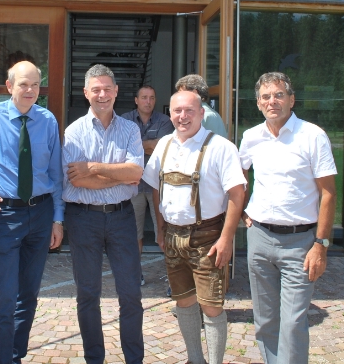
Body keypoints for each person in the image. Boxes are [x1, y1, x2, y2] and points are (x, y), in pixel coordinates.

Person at [0, 61, 64, 364]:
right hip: (4, 216)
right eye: (23, 84)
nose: (30, 90)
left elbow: (56, 173)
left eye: (35, 84)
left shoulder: (47, 120)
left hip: (41, 214)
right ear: (9, 87)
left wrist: (58, 218)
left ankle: (15, 356)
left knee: (28, 296)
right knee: (5, 296)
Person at [239, 72, 337, 364]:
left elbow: (329, 193)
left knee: (293, 323)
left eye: (279, 95)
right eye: (266, 96)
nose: (273, 101)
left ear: (291, 100)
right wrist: (243, 209)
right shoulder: (251, 137)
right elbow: (239, 176)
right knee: (265, 320)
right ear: (259, 103)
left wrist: (321, 244)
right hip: (259, 238)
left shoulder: (312, 136)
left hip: (301, 243)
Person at [142, 90, 246, 364]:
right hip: (173, 235)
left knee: (211, 305)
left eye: (189, 110)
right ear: (170, 114)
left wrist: (226, 239)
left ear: (201, 113)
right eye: (177, 111)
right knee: (183, 301)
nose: (183, 116)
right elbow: (156, 187)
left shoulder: (221, 147)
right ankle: (195, 359)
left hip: (207, 237)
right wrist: (161, 229)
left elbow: (237, 195)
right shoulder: (164, 145)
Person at [62, 64, 144, 364]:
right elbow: (75, 180)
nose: (102, 95)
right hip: (84, 219)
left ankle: (134, 359)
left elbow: (135, 173)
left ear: (116, 91)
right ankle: (94, 358)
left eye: (107, 89)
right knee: (87, 294)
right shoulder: (73, 132)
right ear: (86, 93)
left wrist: (94, 167)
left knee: (131, 293)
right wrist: (119, 175)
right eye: (96, 89)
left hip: (122, 218)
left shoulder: (130, 130)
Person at [120, 85, 173, 285]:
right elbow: (121, 149)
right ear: (136, 100)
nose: (148, 101)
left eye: (151, 97)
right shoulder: (124, 120)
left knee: (164, 232)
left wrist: (135, 146)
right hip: (132, 185)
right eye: (144, 97)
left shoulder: (165, 121)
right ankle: (136, 275)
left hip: (158, 185)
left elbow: (163, 147)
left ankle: (173, 279)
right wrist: (149, 144)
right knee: (134, 234)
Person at [175, 74, 228, 138]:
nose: (179, 96)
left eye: (182, 93)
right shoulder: (207, 114)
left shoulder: (206, 115)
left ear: (194, 93)